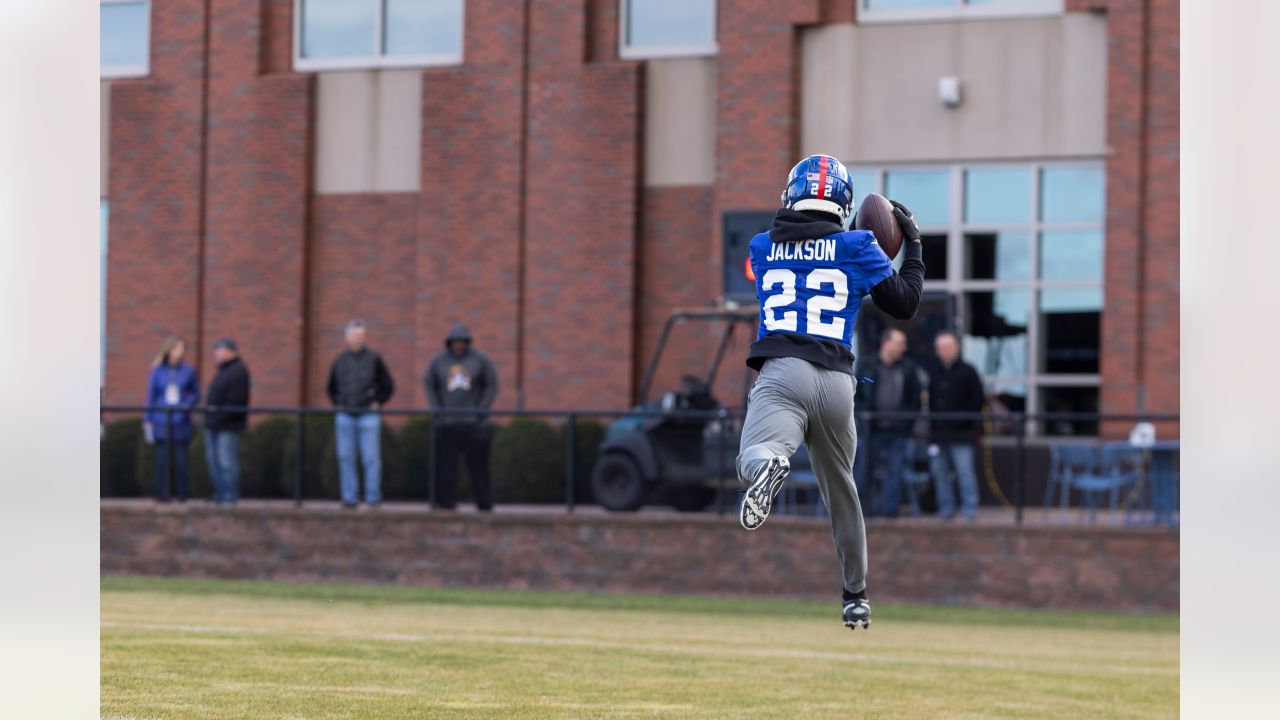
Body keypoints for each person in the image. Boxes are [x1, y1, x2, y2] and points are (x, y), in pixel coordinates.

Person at [736, 154, 924, 631]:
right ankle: (855, 595)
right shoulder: (859, 243)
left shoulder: (761, 247)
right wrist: (913, 243)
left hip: (784, 372)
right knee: (843, 490)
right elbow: (903, 303)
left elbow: (758, 269)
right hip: (839, 384)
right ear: (842, 204)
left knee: (755, 454)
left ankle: (770, 465)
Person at [425, 324, 499, 511]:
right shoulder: (439, 361)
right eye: (456, 341)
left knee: (479, 468)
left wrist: (481, 410)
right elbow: (429, 384)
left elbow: (491, 383)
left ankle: (484, 503)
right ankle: (445, 503)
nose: (459, 345)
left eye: (463, 341)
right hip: (447, 423)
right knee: (446, 467)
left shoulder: (480, 359)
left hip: (473, 423)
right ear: (450, 342)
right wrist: (438, 410)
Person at [854, 328, 924, 519]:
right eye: (900, 343)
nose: (903, 348)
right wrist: (863, 416)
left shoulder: (908, 368)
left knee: (896, 471)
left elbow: (915, 401)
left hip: (898, 430)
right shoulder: (868, 365)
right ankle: (862, 512)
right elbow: (857, 394)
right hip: (872, 429)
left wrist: (907, 423)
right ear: (886, 343)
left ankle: (889, 513)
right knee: (864, 471)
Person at [325, 320, 395, 508]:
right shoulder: (340, 361)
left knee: (371, 459)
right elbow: (330, 387)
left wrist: (378, 401)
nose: (358, 339)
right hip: (345, 416)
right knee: (346, 458)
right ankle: (349, 498)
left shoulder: (374, 359)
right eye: (355, 336)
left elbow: (388, 385)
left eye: (361, 336)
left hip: (368, 416)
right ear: (347, 338)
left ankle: (372, 498)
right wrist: (337, 403)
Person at [927, 330, 985, 520]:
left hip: (962, 432)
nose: (945, 351)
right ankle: (946, 509)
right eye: (941, 348)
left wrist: (964, 420)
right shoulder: (934, 371)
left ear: (957, 348)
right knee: (940, 472)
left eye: (948, 347)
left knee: (964, 472)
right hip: (938, 433)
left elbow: (977, 400)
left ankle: (970, 510)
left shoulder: (968, 371)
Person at [144, 336, 200, 502]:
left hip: (180, 422)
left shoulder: (188, 371)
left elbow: (196, 393)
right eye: (178, 348)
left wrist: (186, 405)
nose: (181, 352)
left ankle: (182, 494)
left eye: (183, 348)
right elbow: (151, 396)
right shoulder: (157, 371)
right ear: (169, 350)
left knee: (181, 461)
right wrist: (148, 419)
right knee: (161, 461)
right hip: (161, 421)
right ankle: (162, 494)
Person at [203, 337, 250, 506]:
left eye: (219, 349)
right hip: (213, 424)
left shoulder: (238, 371)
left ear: (229, 351)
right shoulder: (223, 371)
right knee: (213, 461)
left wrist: (217, 415)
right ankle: (220, 493)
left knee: (226, 461)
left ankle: (230, 495)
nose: (215, 353)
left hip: (227, 426)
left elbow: (236, 401)